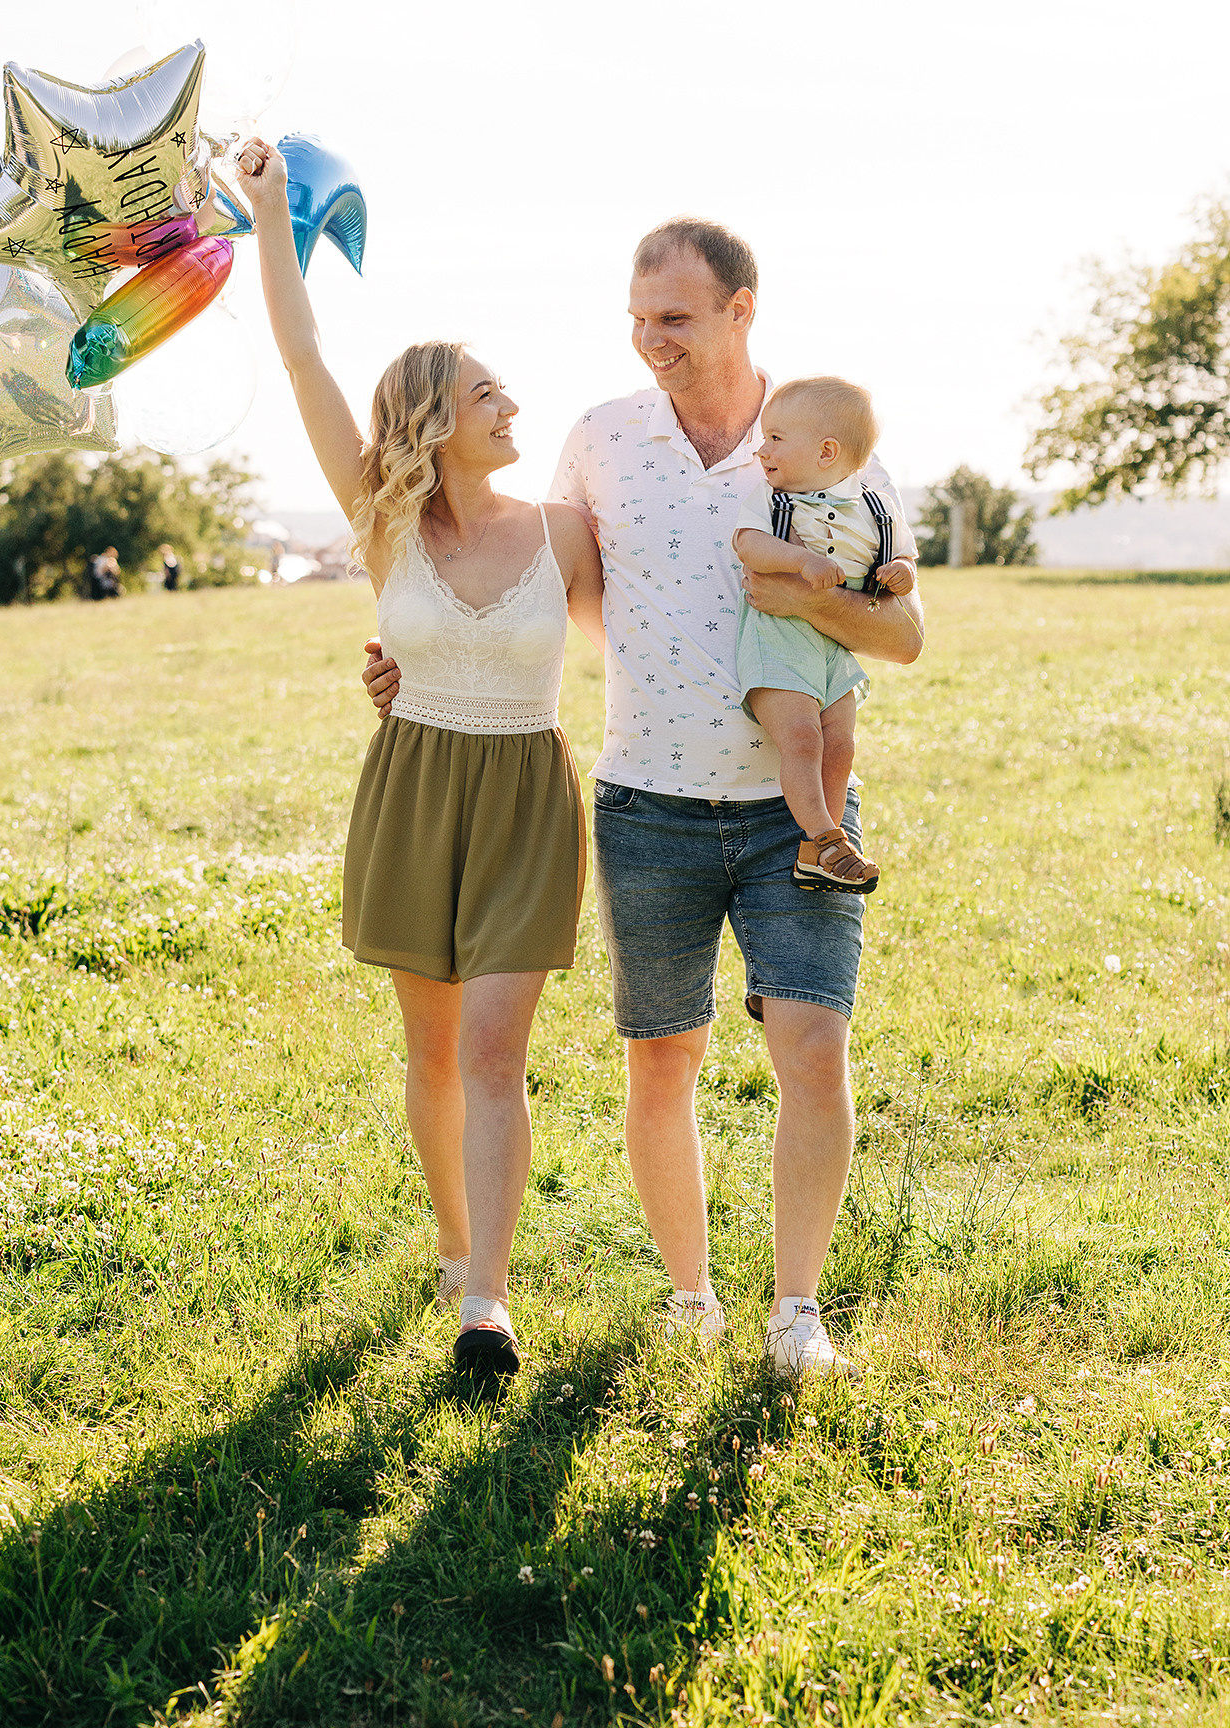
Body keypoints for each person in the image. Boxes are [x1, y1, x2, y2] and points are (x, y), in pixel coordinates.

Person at [366, 218, 924, 1382]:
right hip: (645, 805)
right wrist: (410, 661)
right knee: (661, 1062)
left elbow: (904, 631)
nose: (649, 338)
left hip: (799, 811)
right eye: (638, 317)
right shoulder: (600, 440)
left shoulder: (827, 444)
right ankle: (691, 1294)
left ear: (741, 309)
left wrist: (796, 593)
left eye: (674, 317)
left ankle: (797, 1313)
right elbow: (525, 575)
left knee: (814, 1051)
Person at [235, 136, 605, 1380]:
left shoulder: (566, 526)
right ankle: (456, 1241)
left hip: (526, 796)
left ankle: (486, 1303)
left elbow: (660, 627)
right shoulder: (383, 519)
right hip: (417, 786)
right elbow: (303, 357)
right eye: (491, 392)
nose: (515, 406)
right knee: (435, 1051)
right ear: (437, 416)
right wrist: (278, 212)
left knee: (498, 1049)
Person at [733, 376, 917, 895]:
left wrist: (902, 569)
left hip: (834, 649)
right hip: (779, 642)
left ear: (827, 451)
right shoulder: (772, 502)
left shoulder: (876, 508)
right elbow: (748, 546)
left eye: (774, 439)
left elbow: (902, 554)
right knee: (802, 738)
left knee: (841, 745)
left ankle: (823, 850)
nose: (761, 449)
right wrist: (800, 559)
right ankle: (823, 836)